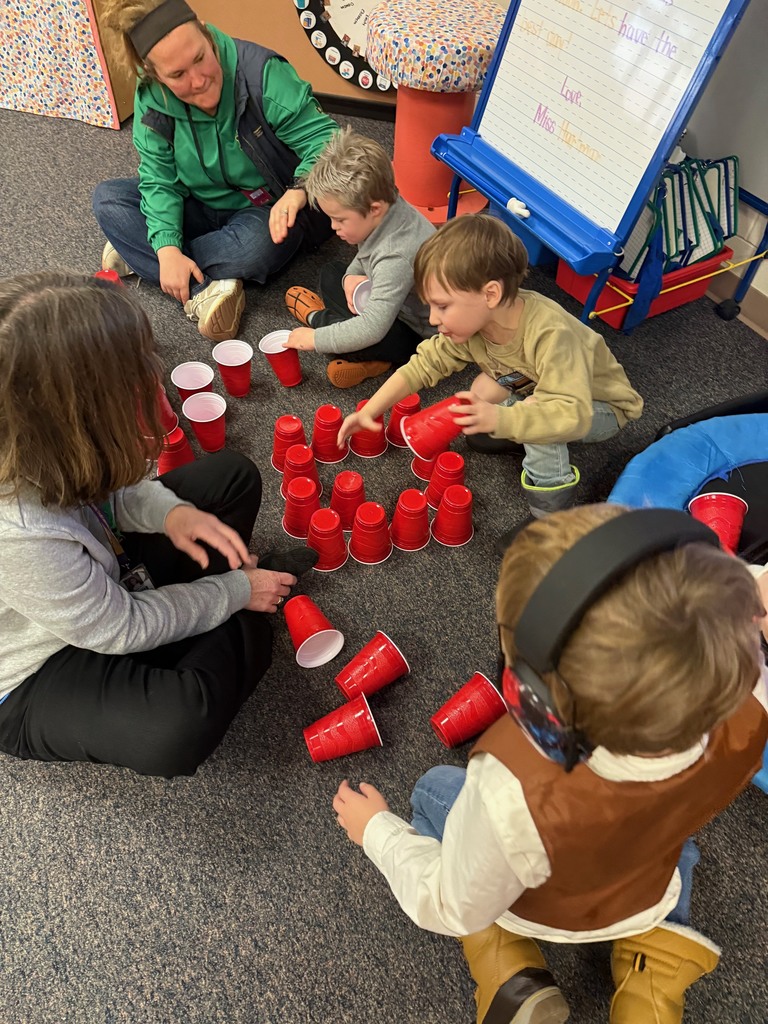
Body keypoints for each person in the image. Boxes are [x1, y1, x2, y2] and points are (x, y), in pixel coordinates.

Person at [332, 504, 768, 1024]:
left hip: (545, 907)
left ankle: (508, 970)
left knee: (433, 788)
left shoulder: (511, 785)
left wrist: (376, 830)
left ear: (531, 694)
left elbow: (449, 903)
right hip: (647, 882)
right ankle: (652, 989)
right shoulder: (751, 709)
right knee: (684, 850)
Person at [0, 271, 302, 778]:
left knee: (231, 477)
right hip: (38, 667)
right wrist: (234, 592)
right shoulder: (19, 532)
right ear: (75, 415)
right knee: (175, 727)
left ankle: (205, 623)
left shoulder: (45, 445)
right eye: (135, 375)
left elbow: (110, 490)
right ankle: (238, 616)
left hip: (99, 578)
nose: (155, 377)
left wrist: (172, 513)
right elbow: (119, 626)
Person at [337, 214, 644, 523]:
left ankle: (551, 519)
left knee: (538, 421)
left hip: (597, 407)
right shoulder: (477, 324)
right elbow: (423, 365)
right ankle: (513, 424)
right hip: (536, 383)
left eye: (442, 306)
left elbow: (569, 414)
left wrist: (502, 419)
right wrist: (371, 410)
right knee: (483, 390)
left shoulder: (552, 335)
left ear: (490, 294)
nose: (432, 319)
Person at [93, 0, 338, 342]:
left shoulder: (261, 73)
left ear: (207, 36)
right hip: (195, 201)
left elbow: (328, 141)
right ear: (155, 76)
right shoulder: (151, 99)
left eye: (200, 58)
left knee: (256, 249)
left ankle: (140, 253)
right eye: (177, 75)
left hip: (265, 209)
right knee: (108, 200)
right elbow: (159, 180)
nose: (198, 80)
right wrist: (167, 249)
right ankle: (204, 287)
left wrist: (299, 190)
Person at [282, 127, 435, 388]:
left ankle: (320, 320)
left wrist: (315, 339)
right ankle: (363, 353)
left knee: (371, 338)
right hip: (391, 300)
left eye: (340, 220)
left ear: (374, 209)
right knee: (333, 273)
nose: (333, 227)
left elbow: (372, 329)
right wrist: (352, 275)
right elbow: (367, 253)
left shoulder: (396, 256)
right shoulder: (387, 205)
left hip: (418, 333)